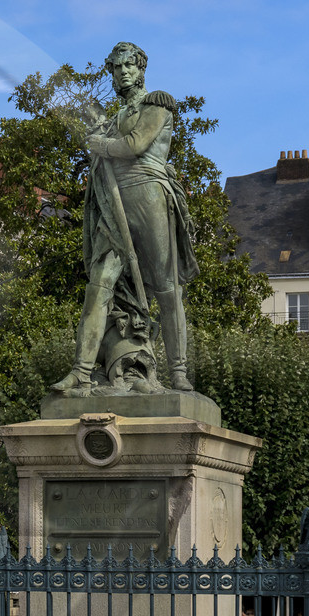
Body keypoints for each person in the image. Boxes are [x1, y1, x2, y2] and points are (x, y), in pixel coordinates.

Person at [49, 41, 199, 397]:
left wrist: (99, 145)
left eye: (128, 66)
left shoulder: (157, 104)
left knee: (166, 288)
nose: (122, 73)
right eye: (116, 68)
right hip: (115, 210)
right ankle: (81, 372)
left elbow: (134, 145)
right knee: (99, 285)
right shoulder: (112, 119)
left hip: (149, 196)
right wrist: (100, 138)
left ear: (141, 69)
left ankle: (178, 372)